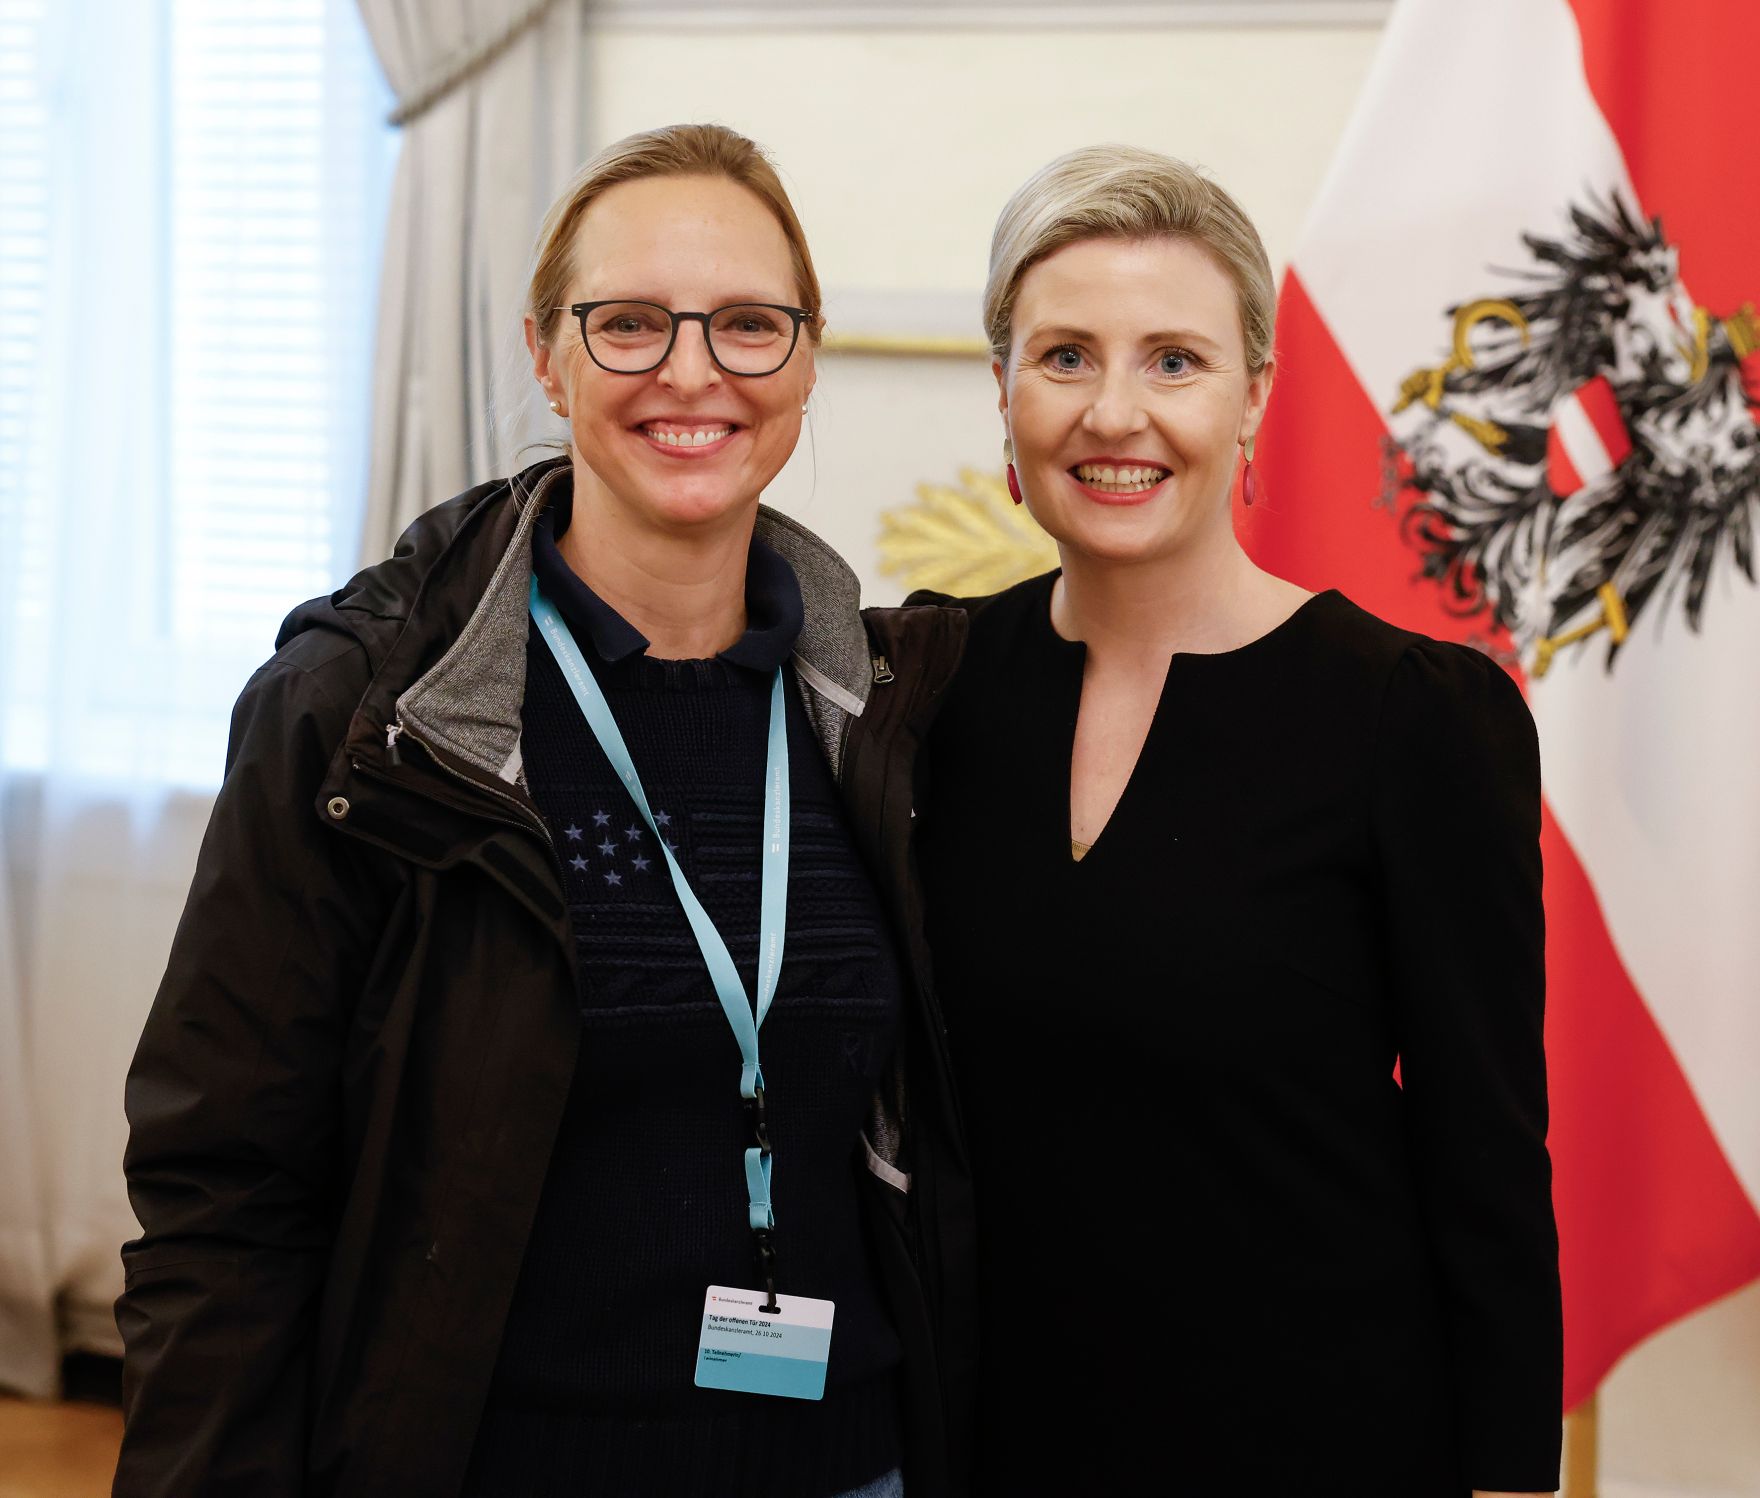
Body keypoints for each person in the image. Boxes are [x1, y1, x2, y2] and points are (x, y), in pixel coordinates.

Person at [114, 124, 974, 1498]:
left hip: (851, 1467)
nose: (691, 371)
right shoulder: (364, 714)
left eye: (749, 324)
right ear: (544, 354)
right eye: (628, 322)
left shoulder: (884, 711)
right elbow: (226, 1191)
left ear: (808, 360)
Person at [910, 146, 1563, 1495]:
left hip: (1324, 1446)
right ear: (1003, 389)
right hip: (989, 1446)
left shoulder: (1416, 718)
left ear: (1255, 394)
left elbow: (1487, 1166)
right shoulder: (921, 686)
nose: (1115, 412)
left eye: (1175, 361)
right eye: (1066, 356)